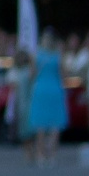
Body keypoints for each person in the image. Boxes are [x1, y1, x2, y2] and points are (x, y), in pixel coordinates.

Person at [23, 30, 67, 165]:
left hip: (41, 89)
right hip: (55, 88)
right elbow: (63, 74)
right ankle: (52, 155)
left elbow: (31, 75)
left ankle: (41, 155)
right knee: (55, 124)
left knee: (40, 124)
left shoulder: (36, 55)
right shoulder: (58, 55)